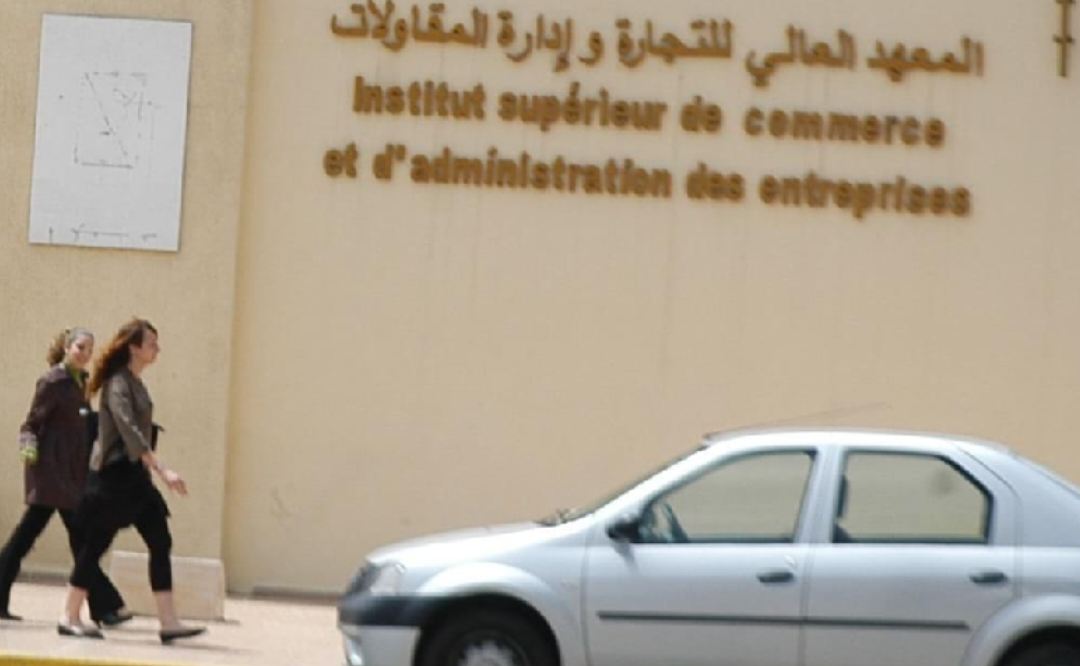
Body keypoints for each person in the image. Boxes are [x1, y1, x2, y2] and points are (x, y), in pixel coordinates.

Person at [60, 319, 204, 642]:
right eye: (151, 343)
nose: (157, 349)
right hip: (112, 478)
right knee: (95, 546)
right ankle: (69, 616)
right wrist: (163, 470)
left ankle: (168, 622)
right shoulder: (117, 384)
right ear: (134, 347)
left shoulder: (135, 383)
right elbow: (130, 432)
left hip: (135, 478)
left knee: (160, 540)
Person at [0, 328, 131, 627]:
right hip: (51, 474)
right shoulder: (53, 381)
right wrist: (29, 451)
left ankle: (104, 606)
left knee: (28, 538)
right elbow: (31, 424)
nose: (85, 354)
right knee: (82, 539)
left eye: (89, 349)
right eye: (80, 347)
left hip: (70, 475)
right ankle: (105, 606)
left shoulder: (80, 382)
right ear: (67, 348)